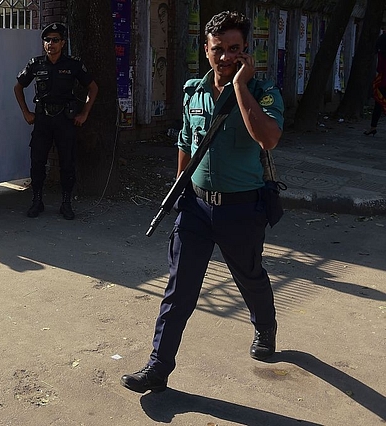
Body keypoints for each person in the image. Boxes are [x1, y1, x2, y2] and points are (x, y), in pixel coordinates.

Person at [120, 11, 284, 394]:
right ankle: (158, 368)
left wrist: (240, 86)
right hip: (195, 206)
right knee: (180, 289)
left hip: (241, 208)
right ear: (205, 49)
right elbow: (186, 143)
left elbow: (269, 139)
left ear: (247, 50)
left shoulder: (263, 91)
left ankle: (265, 325)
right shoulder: (193, 91)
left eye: (234, 49)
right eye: (218, 49)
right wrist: (180, 190)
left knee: (249, 276)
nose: (225, 56)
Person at [14, 22, 98, 220]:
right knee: (37, 162)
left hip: (65, 120)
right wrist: (26, 112)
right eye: (47, 40)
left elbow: (93, 88)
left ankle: (66, 203)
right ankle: (37, 200)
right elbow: (18, 87)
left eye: (55, 40)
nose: (51, 43)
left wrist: (84, 113)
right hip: (42, 119)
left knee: (67, 163)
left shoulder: (73, 65)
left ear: (63, 43)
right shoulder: (35, 64)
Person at [364, 29, 386, 136]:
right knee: (379, 103)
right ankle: (373, 127)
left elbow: (380, 66)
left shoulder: (382, 41)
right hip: (383, 78)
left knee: (379, 103)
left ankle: (373, 126)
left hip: (382, 79)